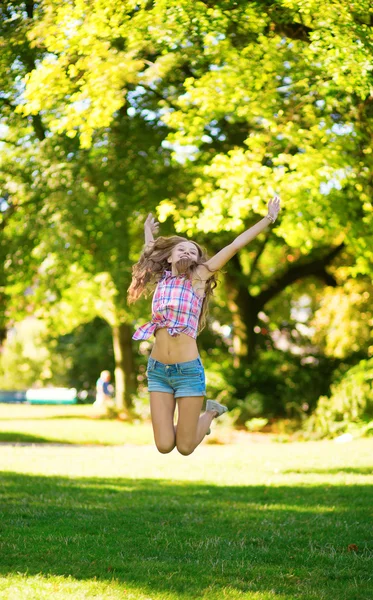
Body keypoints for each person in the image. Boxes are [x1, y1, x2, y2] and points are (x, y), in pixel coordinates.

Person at [127, 197, 281, 455]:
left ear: (198, 261)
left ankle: (210, 412)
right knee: (164, 446)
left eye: (193, 251)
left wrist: (268, 219)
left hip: (187, 372)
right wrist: (147, 232)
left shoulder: (198, 278)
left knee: (185, 448)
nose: (187, 252)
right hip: (157, 371)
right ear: (169, 258)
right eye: (181, 249)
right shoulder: (162, 280)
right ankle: (203, 415)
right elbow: (150, 251)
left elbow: (234, 245)